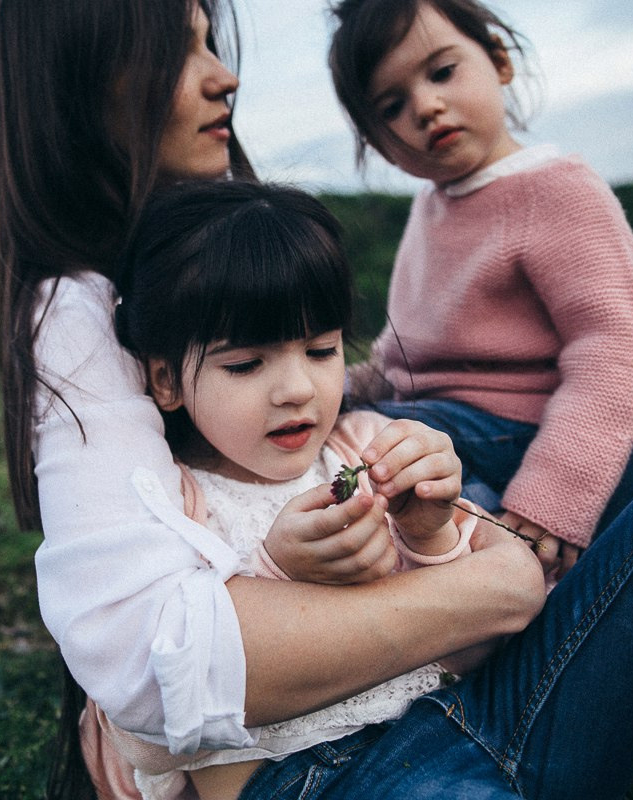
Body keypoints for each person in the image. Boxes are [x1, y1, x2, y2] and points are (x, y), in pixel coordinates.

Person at [0, 2, 633, 798]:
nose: (224, 76)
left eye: (318, 350)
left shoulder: (322, 370)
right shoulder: (86, 326)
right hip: (367, 735)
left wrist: (449, 530)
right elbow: (152, 674)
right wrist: (492, 582)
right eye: (179, 52)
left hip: (473, 603)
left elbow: (610, 341)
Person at [329, 0, 633, 584]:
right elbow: (400, 352)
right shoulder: (433, 206)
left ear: (500, 61)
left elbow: (612, 343)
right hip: (434, 428)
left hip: (520, 439)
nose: (425, 106)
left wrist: (551, 496)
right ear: (377, 140)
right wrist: (330, 387)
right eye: (391, 107)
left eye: (443, 72)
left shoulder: (554, 190)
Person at [111, 179, 508, 799]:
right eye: (245, 364)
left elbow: (477, 641)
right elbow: (151, 722)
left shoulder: (364, 448)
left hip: (445, 733)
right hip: (296, 780)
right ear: (166, 380)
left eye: (321, 350)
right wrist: (278, 574)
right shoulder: (172, 506)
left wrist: (429, 534)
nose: (297, 389)